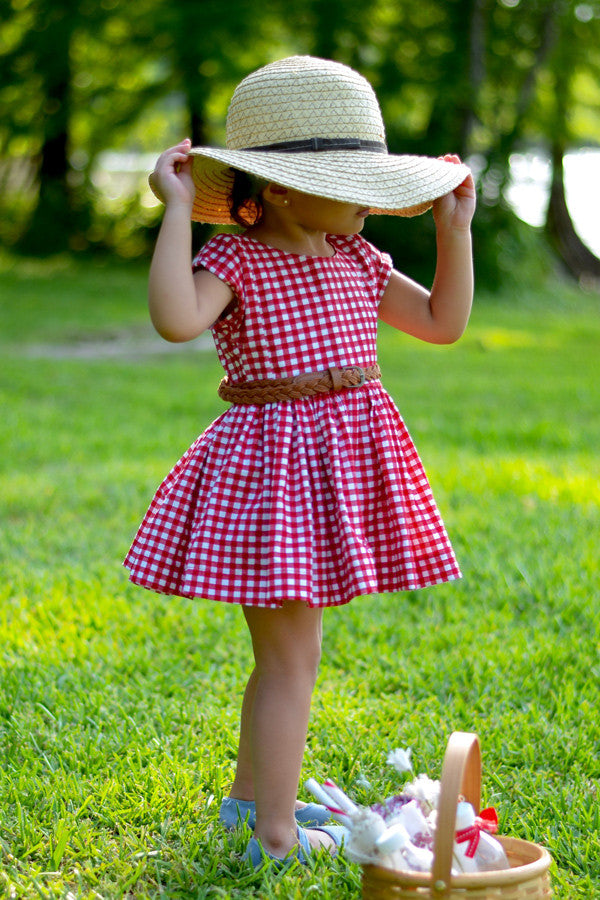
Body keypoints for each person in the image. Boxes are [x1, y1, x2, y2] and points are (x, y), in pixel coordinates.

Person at [124, 55, 476, 869]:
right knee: (289, 659)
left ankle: (252, 808)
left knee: (291, 655)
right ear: (279, 187)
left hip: (334, 475)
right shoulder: (236, 261)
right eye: (352, 181)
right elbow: (176, 319)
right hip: (273, 480)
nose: (367, 198)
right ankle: (276, 841)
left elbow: (442, 321)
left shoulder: (354, 258)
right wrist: (177, 212)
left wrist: (451, 230)